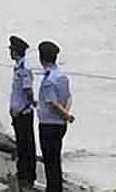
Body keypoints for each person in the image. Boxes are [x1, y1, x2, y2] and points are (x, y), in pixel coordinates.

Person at [36, 40, 73, 192]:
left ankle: (53, 188)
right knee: (55, 159)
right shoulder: (62, 76)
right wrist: (65, 115)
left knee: (50, 160)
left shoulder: (49, 80)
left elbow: (52, 103)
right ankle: (56, 187)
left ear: (42, 58)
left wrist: (66, 115)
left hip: (49, 124)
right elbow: (69, 97)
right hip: (60, 125)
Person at [8, 35, 36, 189]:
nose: (10, 53)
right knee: (21, 143)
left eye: (11, 50)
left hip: (24, 113)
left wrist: (27, 105)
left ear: (16, 51)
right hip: (18, 112)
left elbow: (28, 91)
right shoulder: (18, 66)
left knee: (26, 144)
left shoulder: (25, 68)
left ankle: (28, 176)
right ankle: (22, 172)